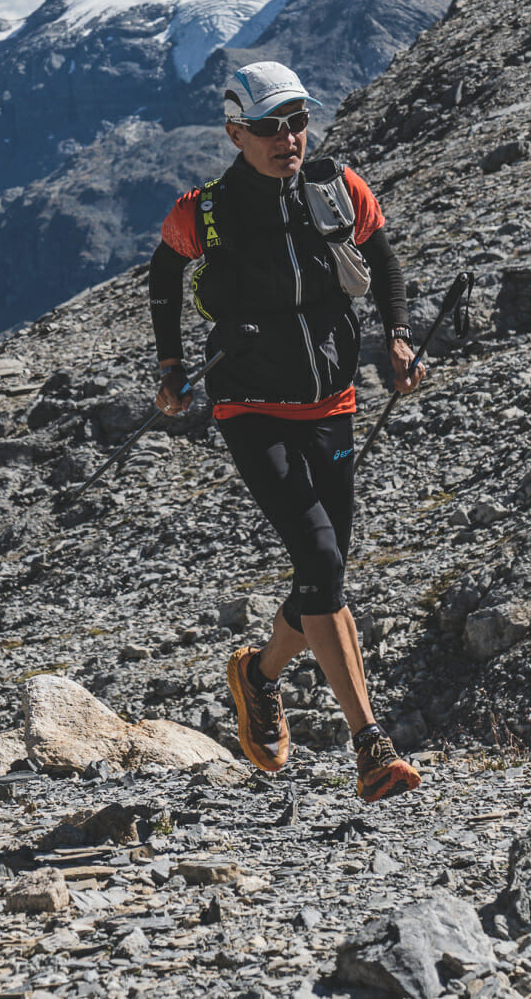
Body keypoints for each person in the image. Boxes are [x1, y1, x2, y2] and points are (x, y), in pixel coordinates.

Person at [147, 60, 425, 803]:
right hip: (251, 408)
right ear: (235, 130)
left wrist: (397, 336)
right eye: (269, 126)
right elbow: (164, 273)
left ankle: (258, 674)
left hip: (331, 402)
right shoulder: (206, 211)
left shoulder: (339, 186)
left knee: (320, 573)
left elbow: (384, 256)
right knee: (323, 556)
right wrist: (171, 364)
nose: (288, 138)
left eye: (298, 121)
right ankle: (371, 744)